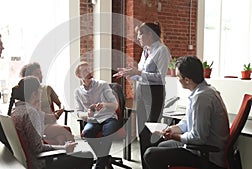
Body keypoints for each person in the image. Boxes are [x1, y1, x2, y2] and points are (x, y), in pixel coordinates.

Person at [143, 56, 230, 169]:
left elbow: (198, 138)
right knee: (161, 145)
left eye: (178, 76)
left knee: (150, 154)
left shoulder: (201, 98)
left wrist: (174, 137)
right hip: (199, 148)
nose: (177, 79)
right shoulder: (203, 91)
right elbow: (186, 123)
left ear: (187, 80)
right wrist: (172, 129)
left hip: (206, 156)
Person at [114, 22, 171, 169]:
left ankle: (155, 165)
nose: (138, 38)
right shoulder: (146, 50)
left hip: (155, 93)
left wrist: (138, 73)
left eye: (140, 34)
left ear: (150, 34)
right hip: (142, 92)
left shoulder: (162, 50)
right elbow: (141, 75)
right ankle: (146, 165)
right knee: (142, 132)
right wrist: (130, 74)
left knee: (152, 131)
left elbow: (160, 77)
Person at [8, 76, 94, 169]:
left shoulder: (15, 111)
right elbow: (38, 148)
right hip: (40, 164)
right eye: (40, 90)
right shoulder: (31, 113)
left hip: (28, 162)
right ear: (34, 94)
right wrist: (64, 148)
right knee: (87, 155)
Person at [74, 61, 118, 169]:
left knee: (107, 135)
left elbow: (115, 105)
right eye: (85, 70)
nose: (89, 72)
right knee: (87, 133)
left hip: (109, 117)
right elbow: (79, 112)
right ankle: (105, 159)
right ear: (79, 75)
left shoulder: (102, 85)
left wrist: (104, 104)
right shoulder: (78, 92)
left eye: (89, 69)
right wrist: (87, 114)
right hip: (93, 120)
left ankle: (100, 166)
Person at [20, 62, 74, 145]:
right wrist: (54, 116)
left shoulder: (47, 88)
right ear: (29, 77)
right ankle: (76, 155)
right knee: (66, 130)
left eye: (40, 73)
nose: (40, 76)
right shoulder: (29, 93)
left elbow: (60, 103)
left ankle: (60, 156)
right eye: (37, 74)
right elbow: (35, 113)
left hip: (51, 122)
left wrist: (60, 110)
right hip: (41, 123)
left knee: (61, 138)